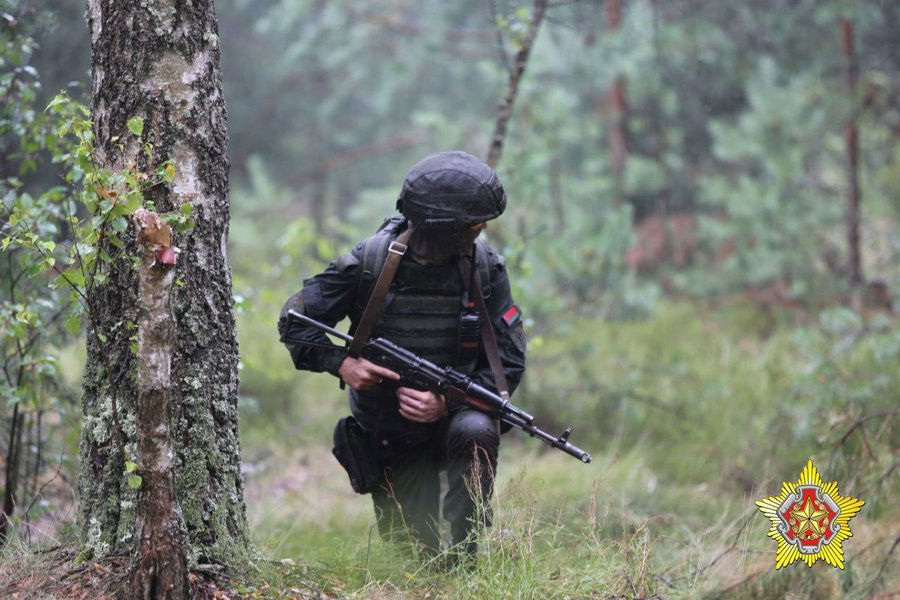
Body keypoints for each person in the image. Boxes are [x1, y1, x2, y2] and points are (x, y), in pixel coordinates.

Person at [278, 151, 527, 563]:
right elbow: (294, 319)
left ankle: (467, 556)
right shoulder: (369, 263)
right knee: (414, 558)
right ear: (445, 227)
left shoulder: (486, 269)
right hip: (389, 428)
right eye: (474, 223)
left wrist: (446, 402)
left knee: (477, 429)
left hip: (455, 418)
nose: (481, 230)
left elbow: (508, 364)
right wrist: (342, 363)